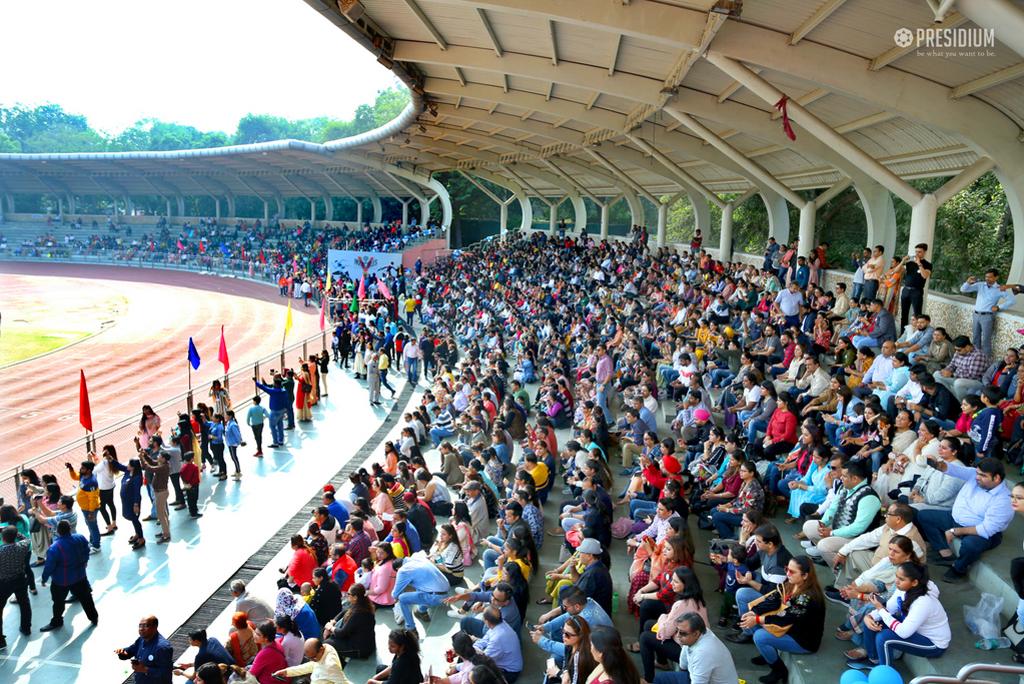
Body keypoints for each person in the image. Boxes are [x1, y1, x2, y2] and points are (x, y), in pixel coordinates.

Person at [917, 457, 1013, 583]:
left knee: (970, 546)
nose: (977, 477)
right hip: (954, 518)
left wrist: (955, 531)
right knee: (923, 516)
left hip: (979, 531)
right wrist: (939, 465)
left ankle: (959, 569)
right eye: (978, 473)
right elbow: (953, 469)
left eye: (983, 475)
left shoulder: (1004, 499)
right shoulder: (975, 476)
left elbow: (986, 529)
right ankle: (945, 553)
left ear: (996, 478)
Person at [734, 556, 825, 684]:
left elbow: (785, 618)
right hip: (790, 627)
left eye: (792, 571)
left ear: (805, 575)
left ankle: (778, 669)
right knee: (751, 614)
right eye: (787, 569)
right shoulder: (791, 584)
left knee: (760, 636)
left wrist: (758, 619)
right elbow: (772, 598)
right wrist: (753, 612)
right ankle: (768, 654)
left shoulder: (808, 598)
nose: (787, 573)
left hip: (802, 638)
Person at [847, 563, 950, 670]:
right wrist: (869, 617)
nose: (896, 581)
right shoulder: (902, 590)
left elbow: (903, 632)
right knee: (872, 621)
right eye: (896, 576)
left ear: (914, 582)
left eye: (901, 579)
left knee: (884, 637)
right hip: (916, 630)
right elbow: (889, 609)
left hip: (933, 644)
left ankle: (885, 673)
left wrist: (880, 609)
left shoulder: (923, 602)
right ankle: (873, 660)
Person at [799, 459, 881, 567]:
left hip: (856, 538)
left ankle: (840, 573)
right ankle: (830, 558)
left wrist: (832, 533)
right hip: (840, 529)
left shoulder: (868, 497)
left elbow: (858, 528)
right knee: (809, 526)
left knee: (824, 545)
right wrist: (823, 522)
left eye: (844, 476)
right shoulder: (844, 487)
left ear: (855, 479)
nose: (841, 478)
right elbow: (833, 508)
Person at [39, 519, 99, 632]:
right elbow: (87, 550)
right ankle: (93, 617)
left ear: (57, 531)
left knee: (58, 602)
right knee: (86, 598)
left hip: (62, 581)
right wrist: (85, 560)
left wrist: (44, 578)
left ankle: (57, 621)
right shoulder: (80, 538)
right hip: (80, 576)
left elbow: (49, 566)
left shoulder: (54, 548)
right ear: (70, 529)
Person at [650, 613, 738, 684]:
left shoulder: (703, 653)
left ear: (696, 634)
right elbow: (683, 664)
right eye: (677, 630)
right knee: (661, 678)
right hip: (700, 678)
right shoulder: (700, 633)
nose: (678, 635)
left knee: (660, 679)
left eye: (682, 633)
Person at [960, 269, 1017, 358]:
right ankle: (976, 359)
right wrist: (968, 282)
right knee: (976, 339)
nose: (987, 278)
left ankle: (986, 361)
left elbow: (1012, 301)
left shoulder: (999, 288)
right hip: (976, 314)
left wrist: (998, 307)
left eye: (990, 277)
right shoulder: (980, 285)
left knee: (986, 340)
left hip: (987, 316)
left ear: (996, 277)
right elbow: (963, 289)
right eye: (986, 276)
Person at [392, 554, 451, 632]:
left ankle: (410, 629)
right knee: (418, 581)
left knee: (402, 598)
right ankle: (422, 611)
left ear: (397, 568)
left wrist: (397, 593)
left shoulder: (403, 570)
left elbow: (395, 594)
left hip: (436, 598)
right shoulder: (417, 557)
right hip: (447, 591)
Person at [324, 583, 376, 662]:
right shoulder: (360, 604)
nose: (347, 595)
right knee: (332, 638)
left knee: (326, 645)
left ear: (355, 597)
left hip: (359, 649)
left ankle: (341, 664)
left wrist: (330, 627)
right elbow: (343, 612)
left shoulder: (358, 613)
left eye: (349, 594)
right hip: (363, 643)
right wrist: (332, 622)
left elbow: (342, 633)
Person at [116, 614, 174, 684]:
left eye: (145, 626)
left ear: (155, 627)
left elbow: (166, 674)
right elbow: (130, 651)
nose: (141, 629)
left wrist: (145, 670)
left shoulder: (162, 647)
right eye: (140, 626)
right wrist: (122, 651)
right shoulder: (141, 640)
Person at [0, 526, 32, 649]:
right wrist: (15, 533)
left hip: (3, 583)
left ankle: (1, 641)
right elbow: (27, 539)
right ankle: (26, 628)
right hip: (20, 579)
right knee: (24, 603)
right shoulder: (22, 546)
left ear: (3, 539)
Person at [474, 605, 523, 682]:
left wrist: (460, 666)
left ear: (487, 622)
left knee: (477, 675)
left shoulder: (498, 639)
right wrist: (473, 648)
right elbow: (485, 640)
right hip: (503, 662)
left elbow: (483, 660)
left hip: (508, 672)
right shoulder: (500, 624)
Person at [274, 638, 349, 683]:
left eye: (313, 657)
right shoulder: (326, 648)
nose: (312, 660)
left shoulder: (330, 666)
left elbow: (344, 682)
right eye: (309, 658)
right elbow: (310, 666)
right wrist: (287, 672)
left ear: (321, 649)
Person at [572, 537, 613, 615]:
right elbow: (577, 581)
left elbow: (578, 601)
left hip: (595, 614)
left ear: (589, 556)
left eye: (581, 552)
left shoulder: (592, 574)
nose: (579, 554)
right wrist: (572, 568)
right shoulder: (598, 566)